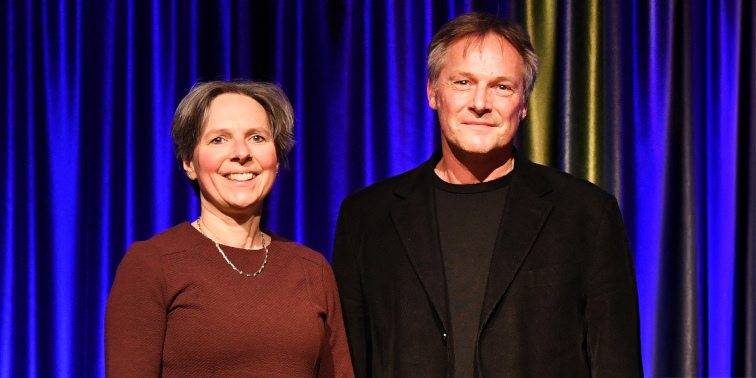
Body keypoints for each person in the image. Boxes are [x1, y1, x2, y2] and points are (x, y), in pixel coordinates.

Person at [331, 12, 642, 377]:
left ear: (523, 104)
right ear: (433, 92)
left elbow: (616, 363)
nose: (480, 103)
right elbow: (348, 363)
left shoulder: (586, 213)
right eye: (463, 82)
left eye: (502, 87)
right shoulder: (368, 216)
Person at [106, 81, 354, 377]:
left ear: (276, 160)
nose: (241, 153)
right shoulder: (152, 264)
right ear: (189, 162)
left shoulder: (312, 269)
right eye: (218, 140)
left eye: (257, 138)